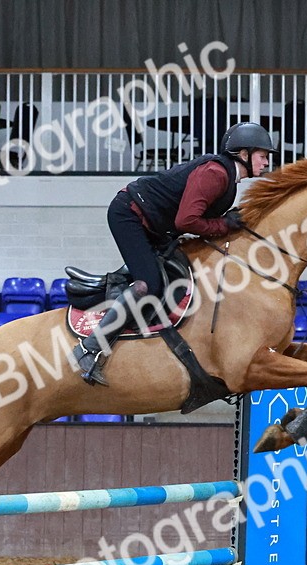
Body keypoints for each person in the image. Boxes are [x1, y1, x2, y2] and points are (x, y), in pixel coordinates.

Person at [73, 122, 278, 386]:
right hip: (129, 214)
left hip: (152, 221)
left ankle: (120, 295)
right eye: (263, 156)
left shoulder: (227, 178)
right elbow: (186, 221)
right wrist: (224, 225)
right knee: (150, 284)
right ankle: (89, 349)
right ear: (243, 154)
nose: (267, 163)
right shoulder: (216, 174)